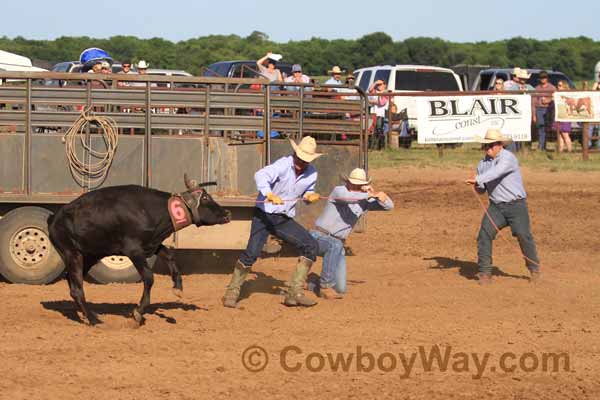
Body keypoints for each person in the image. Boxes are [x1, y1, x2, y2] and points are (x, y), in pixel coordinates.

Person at [222, 136, 323, 308]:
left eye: (305, 160)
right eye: (300, 158)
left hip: (282, 218)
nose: (301, 163)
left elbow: (306, 193)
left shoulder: (311, 173)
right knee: (252, 253)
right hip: (264, 215)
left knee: (310, 245)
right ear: (295, 154)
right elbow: (261, 175)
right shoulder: (283, 165)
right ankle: (232, 291)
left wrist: (309, 197)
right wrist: (268, 194)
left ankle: (294, 293)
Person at [465, 128, 541, 285]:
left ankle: (534, 268)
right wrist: (476, 185)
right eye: (486, 145)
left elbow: (497, 172)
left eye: (491, 145)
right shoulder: (482, 165)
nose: (488, 148)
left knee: (523, 235)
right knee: (484, 235)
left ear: (500, 145)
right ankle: (485, 272)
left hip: (516, 205)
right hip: (496, 207)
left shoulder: (508, 158)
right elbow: (482, 190)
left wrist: (478, 179)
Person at [309, 168, 394, 298]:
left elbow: (389, 207)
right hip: (318, 236)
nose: (355, 186)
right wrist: (369, 195)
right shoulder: (339, 191)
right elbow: (349, 198)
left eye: (359, 185)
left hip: (338, 244)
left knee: (341, 288)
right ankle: (325, 286)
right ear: (348, 182)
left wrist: (377, 194)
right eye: (353, 183)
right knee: (335, 245)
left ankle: (313, 282)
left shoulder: (364, 200)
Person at [534, 71, 556, 151]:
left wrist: (549, 100)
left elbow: (555, 97)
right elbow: (534, 101)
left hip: (548, 109)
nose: (543, 79)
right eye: (541, 78)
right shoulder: (537, 88)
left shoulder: (552, 88)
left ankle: (544, 145)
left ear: (547, 78)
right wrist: (534, 114)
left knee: (547, 128)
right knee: (541, 127)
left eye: (544, 77)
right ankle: (541, 146)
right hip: (539, 109)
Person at [368, 79, 389, 150]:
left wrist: (373, 101)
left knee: (379, 130)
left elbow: (382, 102)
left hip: (380, 114)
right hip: (373, 113)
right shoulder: (376, 91)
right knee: (371, 130)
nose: (378, 86)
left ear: (385, 85)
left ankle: (380, 147)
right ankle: (371, 146)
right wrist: (375, 82)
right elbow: (370, 90)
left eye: (380, 84)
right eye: (378, 85)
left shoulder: (386, 92)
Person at [554, 80, 573, 153]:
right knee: (560, 135)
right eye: (558, 85)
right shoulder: (557, 94)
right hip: (559, 116)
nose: (558, 87)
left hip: (565, 117)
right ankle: (560, 151)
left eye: (560, 85)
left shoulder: (567, 94)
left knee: (565, 134)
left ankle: (570, 150)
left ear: (564, 86)